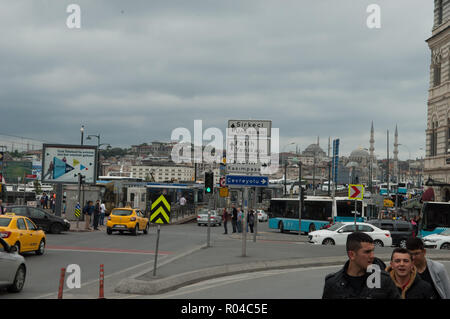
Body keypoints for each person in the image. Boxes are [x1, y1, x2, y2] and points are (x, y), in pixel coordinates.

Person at [322, 232, 400, 299]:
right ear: (352, 255)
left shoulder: (384, 280)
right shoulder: (333, 284)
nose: (372, 256)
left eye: (373, 251)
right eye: (367, 252)